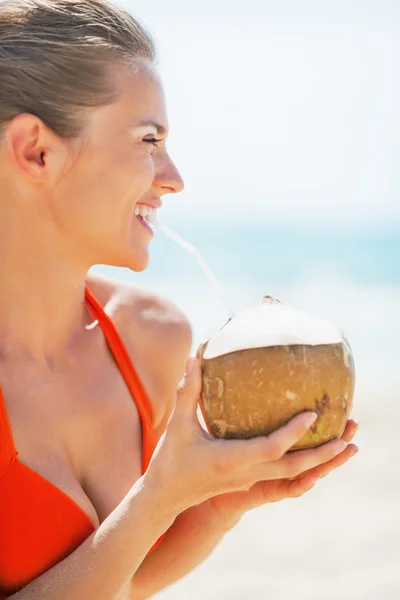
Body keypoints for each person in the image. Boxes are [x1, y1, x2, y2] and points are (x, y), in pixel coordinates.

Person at [0, 1, 359, 598]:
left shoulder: (152, 337)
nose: (173, 177)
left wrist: (215, 503)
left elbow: (125, 584)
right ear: (37, 150)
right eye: (148, 139)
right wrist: (158, 496)